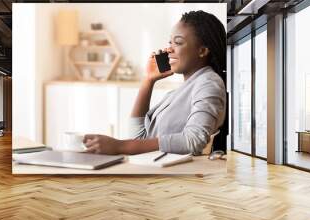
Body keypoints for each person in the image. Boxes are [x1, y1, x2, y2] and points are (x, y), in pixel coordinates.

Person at [83, 10, 226, 155]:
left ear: (202, 51)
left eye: (178, 42)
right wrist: (148, 80)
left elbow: (193, 140)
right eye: (170, 42)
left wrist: (120, 146)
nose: (169, 48)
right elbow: (138, 138)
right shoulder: (182, 90)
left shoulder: (209, 84)